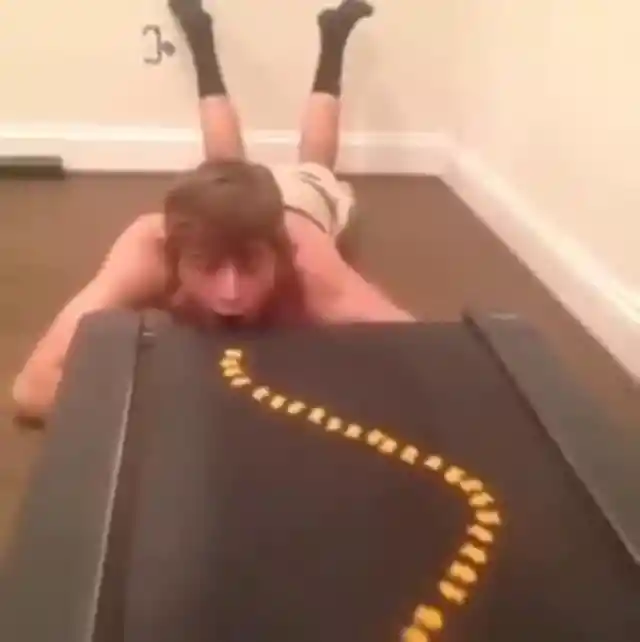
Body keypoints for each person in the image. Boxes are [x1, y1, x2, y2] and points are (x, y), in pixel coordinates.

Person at [11, 0, 414, 421]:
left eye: (251, 265)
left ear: (280, 256)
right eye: (206, 266)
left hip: (302, 201)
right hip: (235, 204)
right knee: (224, 165)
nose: (230, 292)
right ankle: (200, 39)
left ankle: (333, 40)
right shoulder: (148, 246)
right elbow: (32, 388)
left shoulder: (307, 259)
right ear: (175, 255)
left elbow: (424, 348)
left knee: (315, 168)